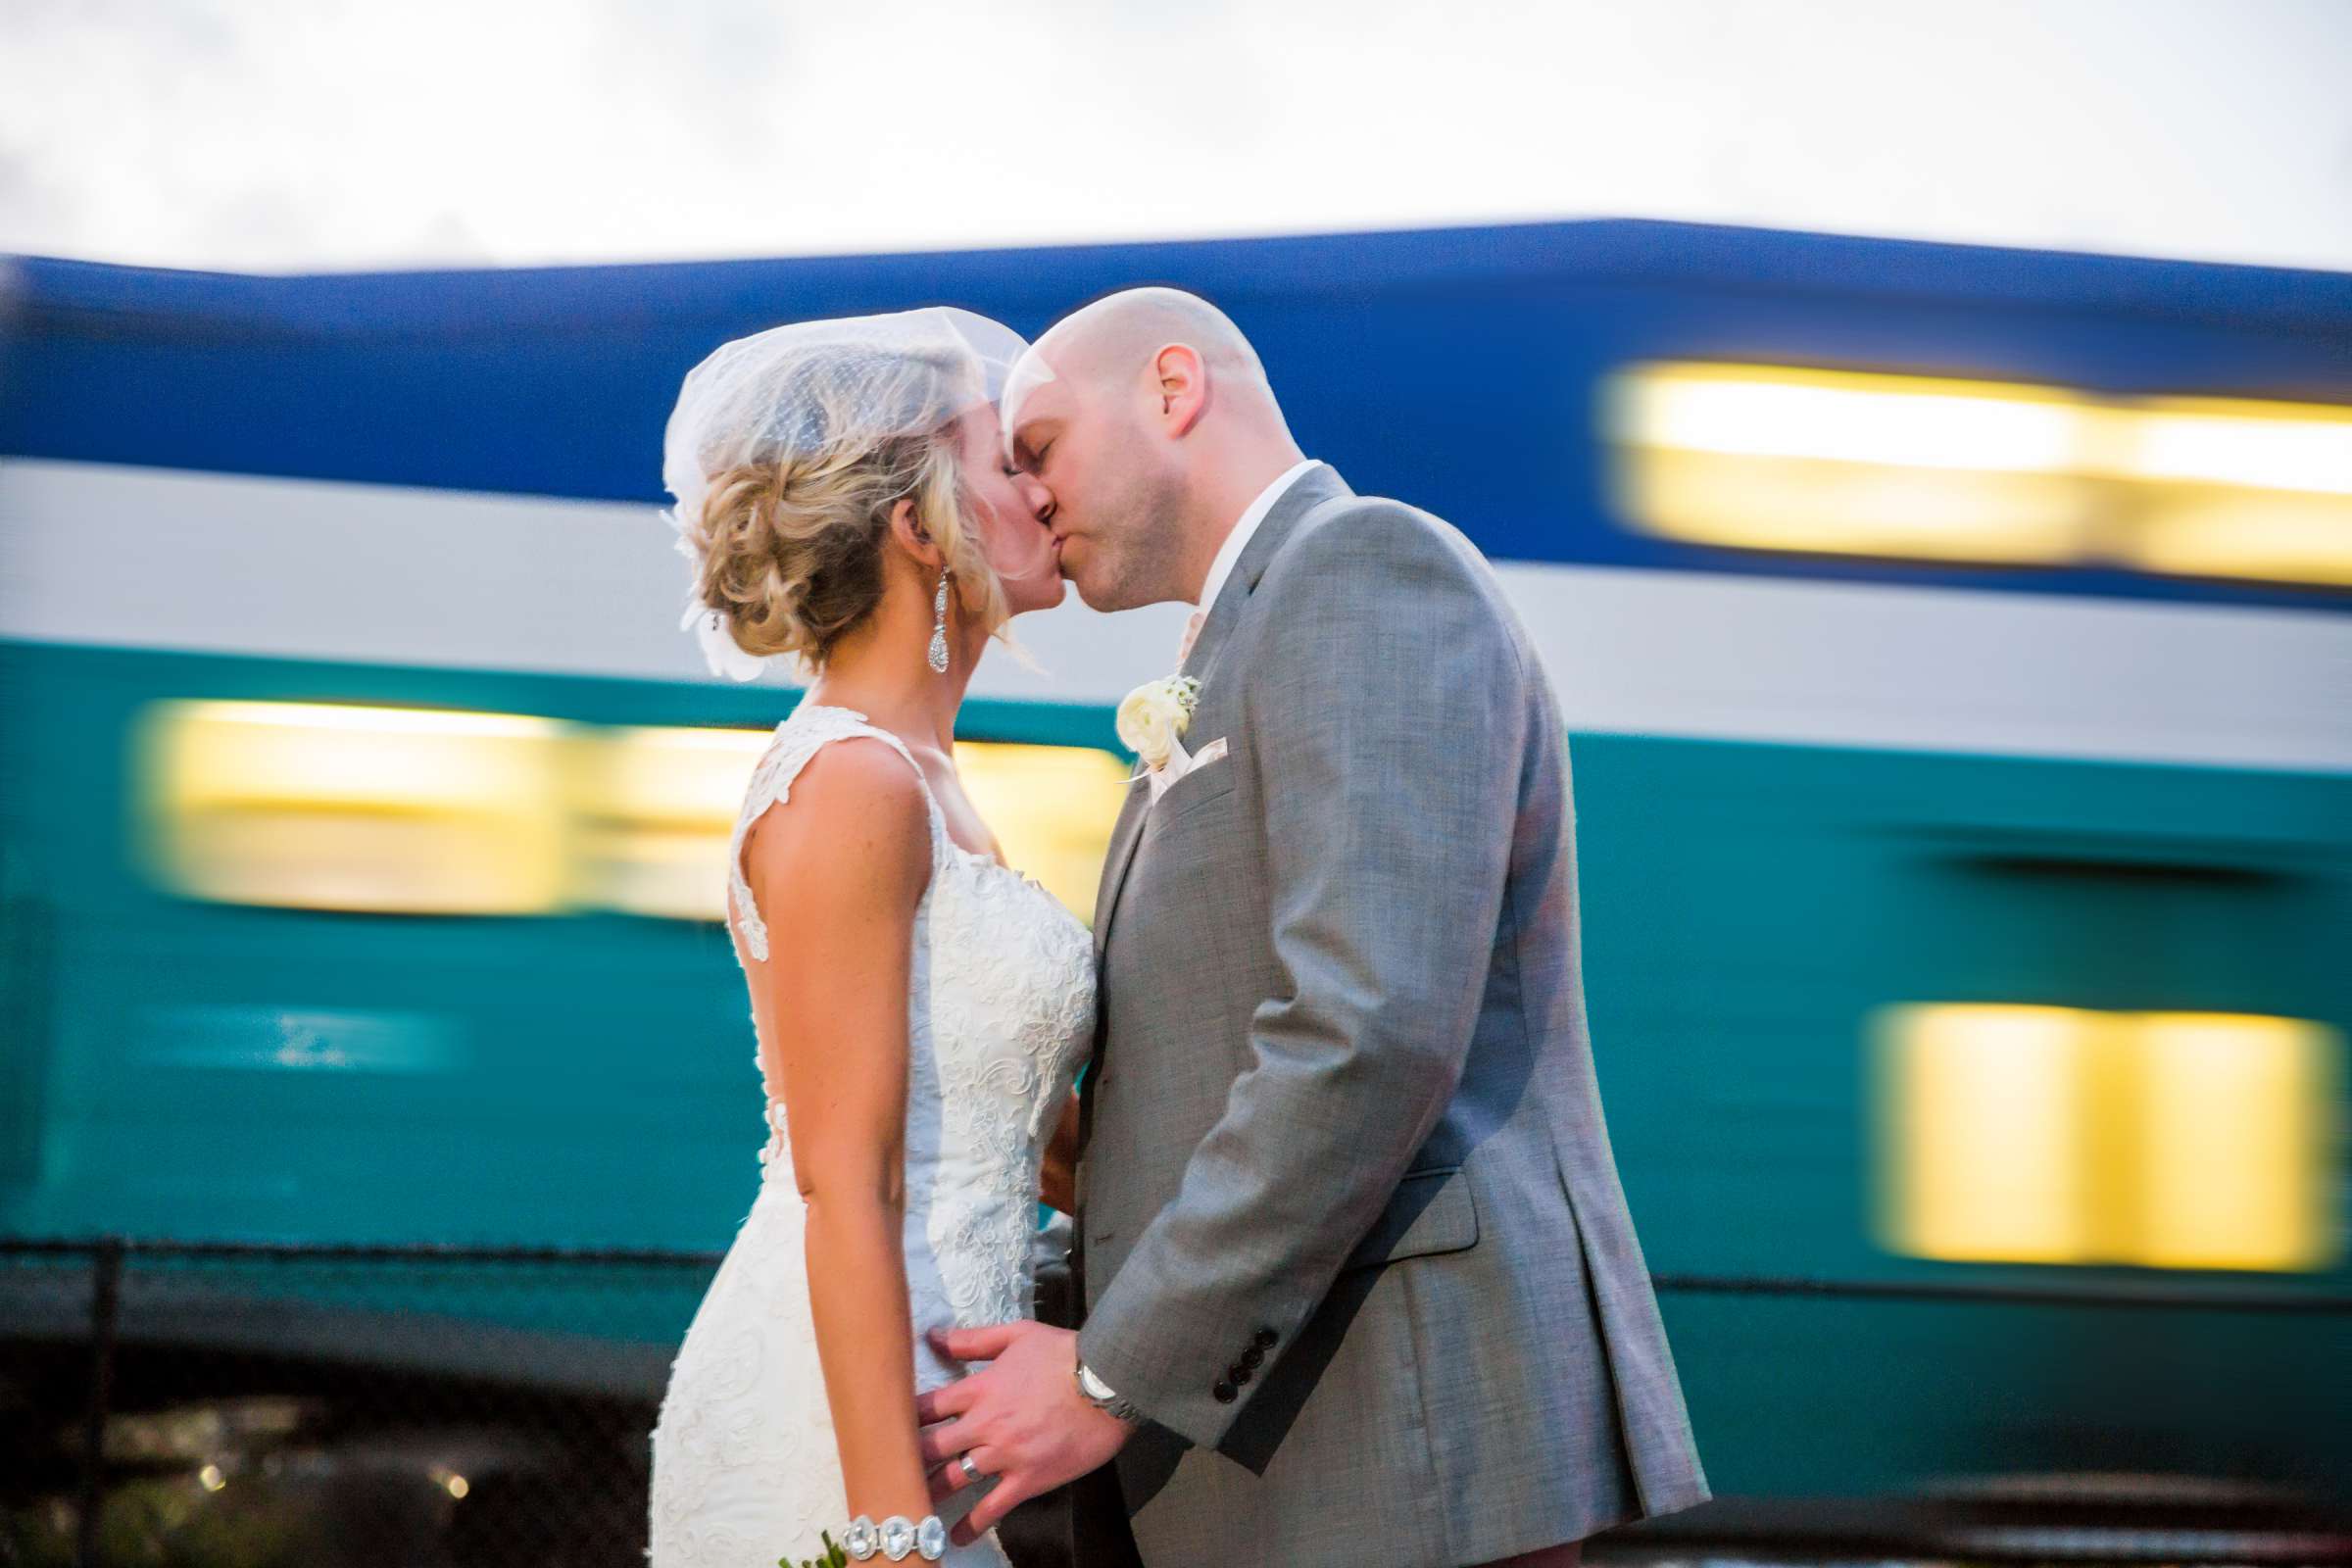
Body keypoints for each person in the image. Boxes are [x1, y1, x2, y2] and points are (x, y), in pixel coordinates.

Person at [910, 288, 1714, 1567]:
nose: (1026, 490)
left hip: (1405, 1445)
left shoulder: (1362, 568)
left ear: (1174, 391)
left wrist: (1110, 1374)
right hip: (1318, 1438)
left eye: (1042, 445)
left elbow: (1368, 1028)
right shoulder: (1242, 639)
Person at [645, 307, 1093, 1568]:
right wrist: (890, 1529)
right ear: (917, 523)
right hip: (848, 1418)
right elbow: (849, 1180)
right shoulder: (853, 783)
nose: (1044, 488)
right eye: (1009, 463)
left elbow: (1027, 1136)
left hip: (939, 1393)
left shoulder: (927, 780)